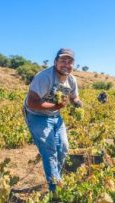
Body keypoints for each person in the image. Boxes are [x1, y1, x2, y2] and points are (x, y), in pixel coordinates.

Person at [23, 48, 82, 192]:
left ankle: (56, 177)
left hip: (55, 115)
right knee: (49, 151)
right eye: (62, 60)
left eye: (70, 62)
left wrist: (77, 103)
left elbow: (74, 97)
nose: (66, 64)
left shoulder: (71, 80)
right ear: (55, 62)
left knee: (63, 148)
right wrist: (56, 105)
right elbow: (32, 102)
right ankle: (55, 189)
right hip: (36, 115)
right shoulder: (44, 77)